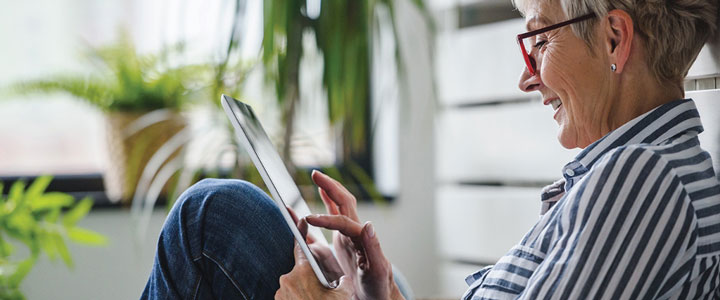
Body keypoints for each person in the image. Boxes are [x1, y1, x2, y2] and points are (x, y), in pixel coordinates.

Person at [141, 0, 720, 298]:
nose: (527, 77)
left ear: (615, 38)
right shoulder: (629, 172)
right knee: (222, 215)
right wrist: (381, 290)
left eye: (538, 38)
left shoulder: (646, 179)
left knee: (212, 218)